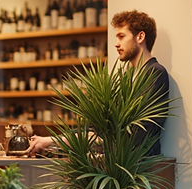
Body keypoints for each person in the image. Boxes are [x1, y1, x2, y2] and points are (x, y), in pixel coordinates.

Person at [28, 10, 169, 156]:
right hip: (118, 165)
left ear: (140, 37)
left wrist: (99, 146)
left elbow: (140, 134)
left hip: (139, 168)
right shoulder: (127, 77)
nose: (116, 44)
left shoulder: (154, 73)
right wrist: (51, 140)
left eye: (121, 36)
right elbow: (101, 130)